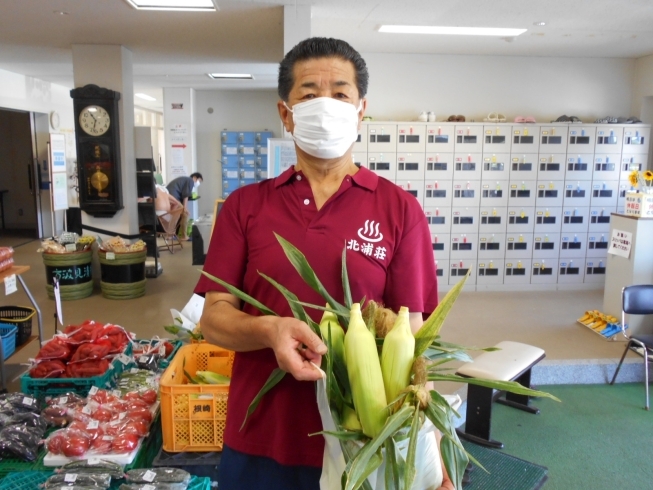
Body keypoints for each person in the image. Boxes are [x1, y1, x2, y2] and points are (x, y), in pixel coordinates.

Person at [194, 37, 452, 490]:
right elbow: (213, 319)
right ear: (285, 112)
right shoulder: (244, 206)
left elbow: (413, 330)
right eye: (309, 95)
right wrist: (269, 330)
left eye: (340, 94)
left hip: (362, 439)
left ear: (361, 108)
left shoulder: (399, 209)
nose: (325, 105)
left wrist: (424, 435)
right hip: (261, 433)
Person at [166, 172, 202, 240]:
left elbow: (184, 195)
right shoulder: (190, 181)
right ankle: (182, 236)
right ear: (194, 177)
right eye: (199, 181)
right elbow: (185, 196)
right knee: (184, 214)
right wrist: (185, 208)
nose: (199, 183)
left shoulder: (186, 180)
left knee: (176, 215)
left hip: (170, 196)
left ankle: (170, 235)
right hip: (173, 196)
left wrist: (184, 208)